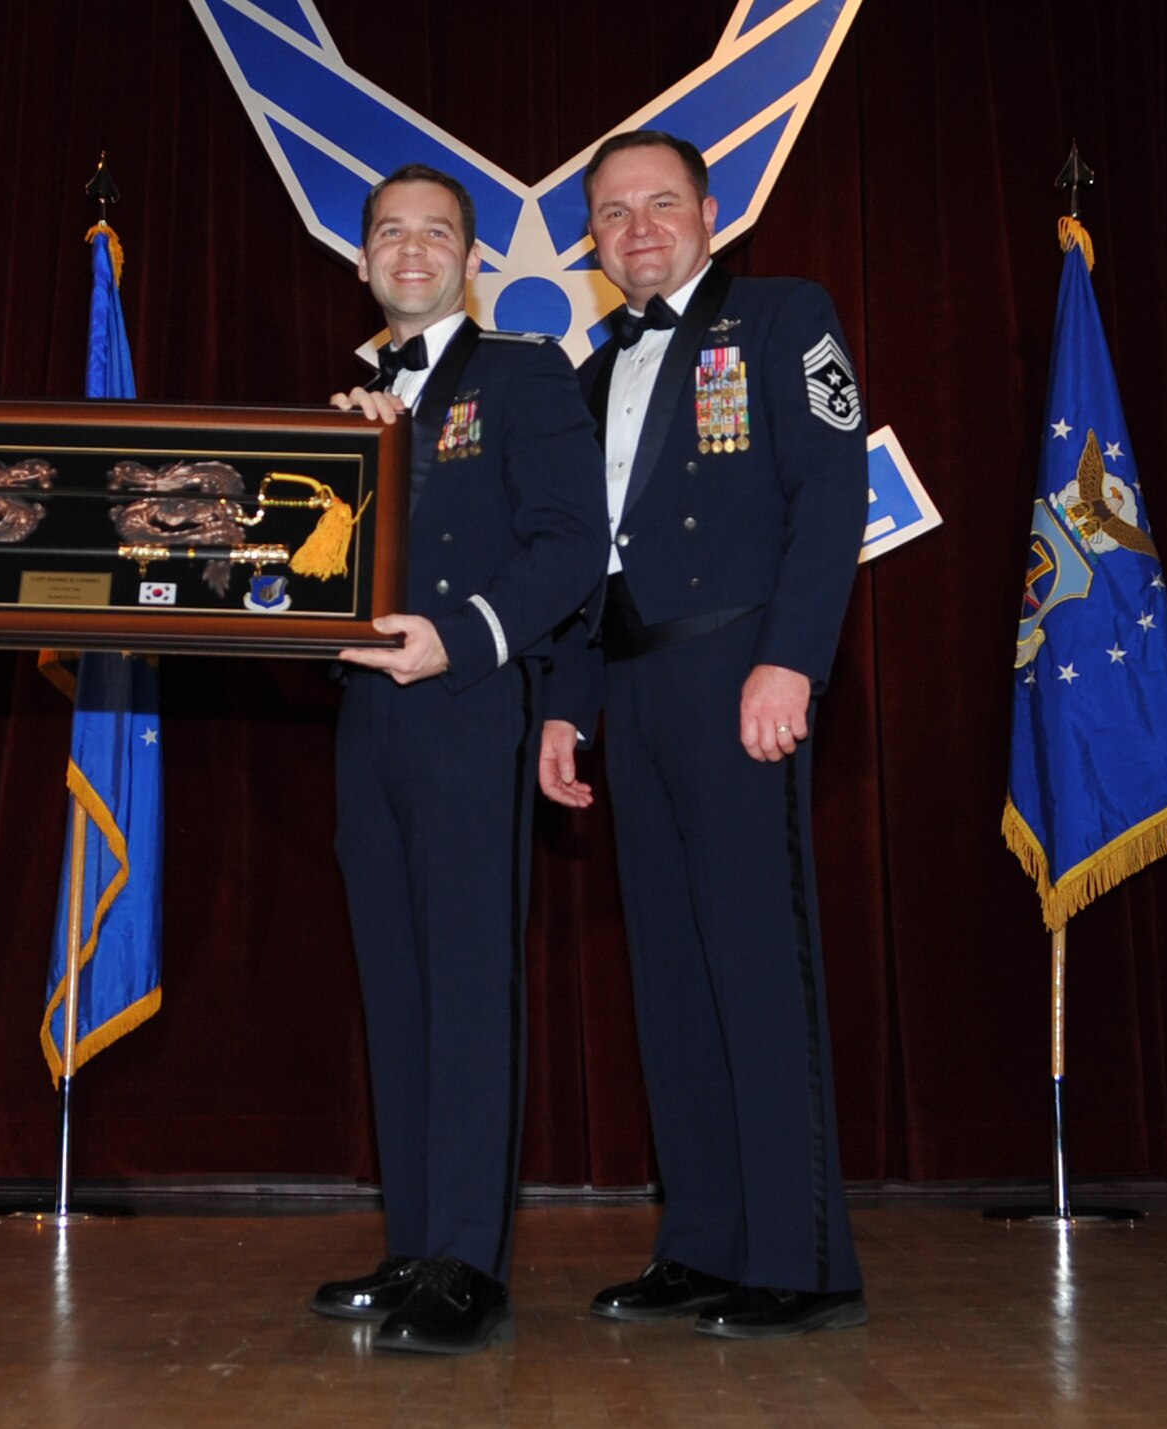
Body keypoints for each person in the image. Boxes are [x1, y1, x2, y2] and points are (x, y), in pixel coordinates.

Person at [539, 130, 869, 1339]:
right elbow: (578, 566)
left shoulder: (785, 316)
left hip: (741, 669)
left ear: (709, 211)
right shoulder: (587, 372)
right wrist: (568, 705)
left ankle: (798, 1255)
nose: (636, 229)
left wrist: (791, 655)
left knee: (752, 964)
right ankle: (701, 1243)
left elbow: (831, 492)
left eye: (658, 204)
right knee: (668, 975)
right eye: (611, 214)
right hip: (631, 688)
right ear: (589, 240)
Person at [310, 164, 608, 1355]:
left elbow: (570, 544)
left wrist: (466, 640)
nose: (412, 250)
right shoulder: (345, 402)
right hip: (364, 721)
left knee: (470, 987)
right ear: (364, 258)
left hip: (472, 703)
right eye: (391, 233)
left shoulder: (523, 373)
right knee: (394, 981)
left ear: (470, 260)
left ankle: (469, 1264)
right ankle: (415, 1240)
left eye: (436, 233)